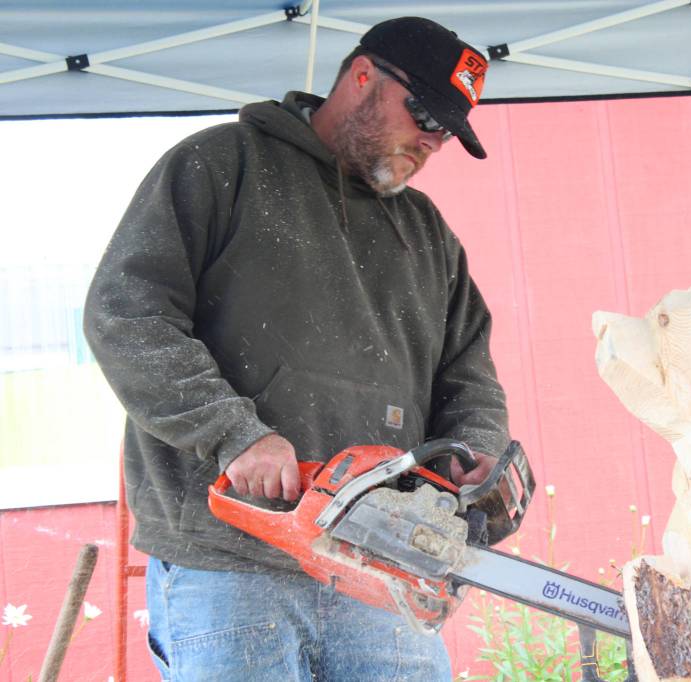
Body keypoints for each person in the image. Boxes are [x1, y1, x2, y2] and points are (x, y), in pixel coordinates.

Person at [84, 16, 508, 681]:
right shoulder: (221, 166)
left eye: (446, 129)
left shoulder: (426, 233)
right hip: (231, 561)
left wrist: (476, 448)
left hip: (381, 563)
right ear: (363, 76)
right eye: (423, 112)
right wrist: (234, 435)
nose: (431, 140)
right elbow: (128, 314)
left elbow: (469, 373)